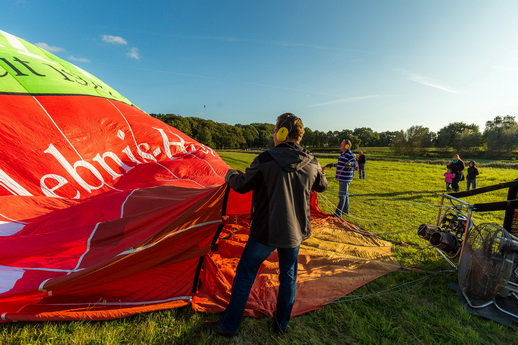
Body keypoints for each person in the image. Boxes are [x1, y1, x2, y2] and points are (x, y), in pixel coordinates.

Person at [206, 113, 328, 337]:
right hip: (295, 233)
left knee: (245, 275)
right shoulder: (312, 161)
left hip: (265, 231)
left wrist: (230, 174)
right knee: (288, 277)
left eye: (275, 129)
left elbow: (241, 185)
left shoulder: (265, 159)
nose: (273, 134)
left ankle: (229, 325)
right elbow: (322, 186)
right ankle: (281, 324)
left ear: (281, 133)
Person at [324, 139, 356, 216]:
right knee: (345, 194)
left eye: (342, 144)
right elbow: (340, 164)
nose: (340, 145)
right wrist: (332, 165)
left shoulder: (349, 154)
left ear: (346, 146)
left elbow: (355, 163)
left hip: (345, 178)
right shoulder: (343, 154)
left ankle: (338, 213)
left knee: (342, 195)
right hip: (342, 177)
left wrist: (350, 164)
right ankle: (345, 210)